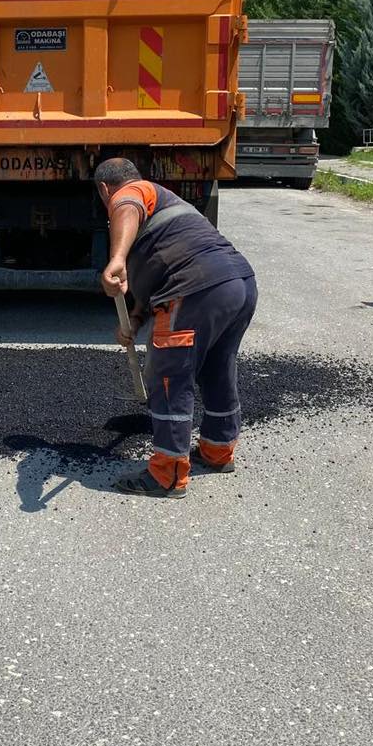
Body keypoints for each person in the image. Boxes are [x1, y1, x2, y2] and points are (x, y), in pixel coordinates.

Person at [95, 158, 257, 498]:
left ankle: (166, 474)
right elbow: (148, 294)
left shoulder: (133, 192)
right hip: (238, 283)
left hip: (195, 288)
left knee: (170, 375)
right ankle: (218, 451)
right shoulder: (167, 218)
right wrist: (135, 322)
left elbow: (126, 203)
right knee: (217, 368)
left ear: (104, 189)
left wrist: (117, 259)